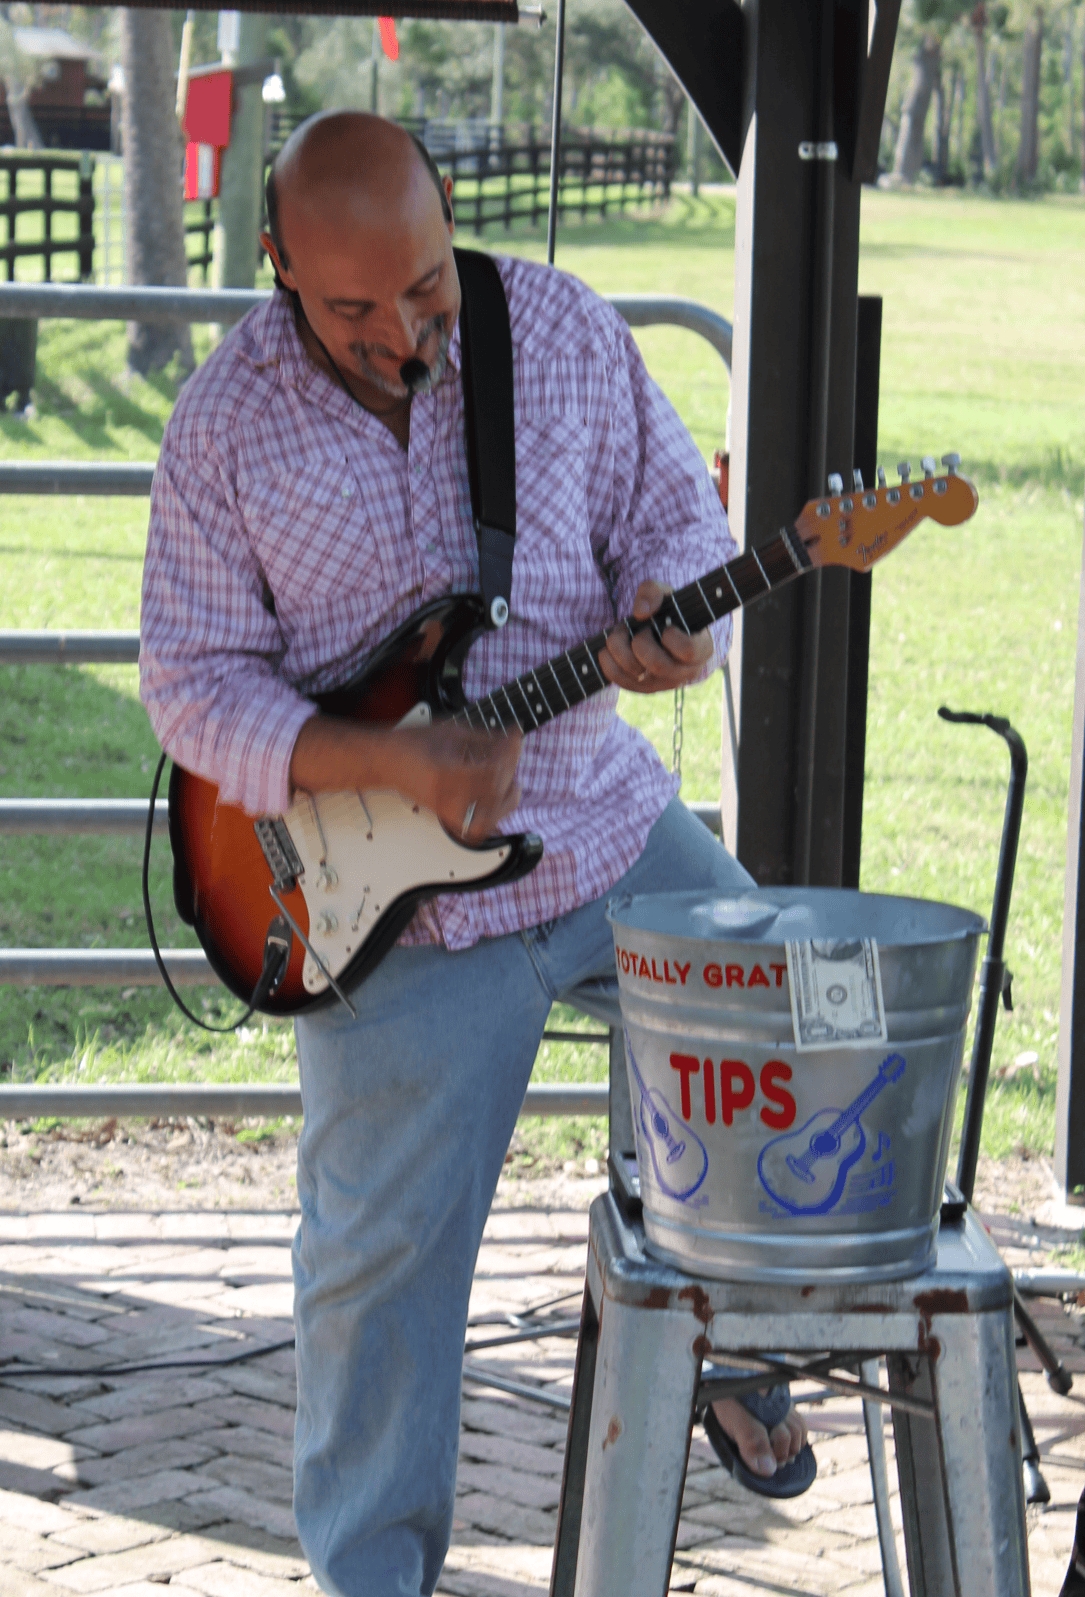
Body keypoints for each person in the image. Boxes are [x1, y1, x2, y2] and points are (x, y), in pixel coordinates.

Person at [139, 111, 811, 1596]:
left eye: (426, 288)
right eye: (352, 308)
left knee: (780, 1025)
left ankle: (733, 1342)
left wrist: (671, 617)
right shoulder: (227, 422)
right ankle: (372, 1575)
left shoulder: (560, 332)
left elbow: (676, 522)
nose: (400, 332)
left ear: (451, 215)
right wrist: (396, 760)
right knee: (379, 1270)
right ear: (277, 268)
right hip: (397, 911)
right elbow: (191, 685)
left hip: (600, 819)